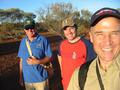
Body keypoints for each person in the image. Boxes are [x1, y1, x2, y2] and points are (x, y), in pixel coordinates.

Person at [68, 7, 120, 90]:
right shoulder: (80, 75)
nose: (107, 42)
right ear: (91, 37)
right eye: (99, 34)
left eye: (115, 33)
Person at [57, 16, 96, 90]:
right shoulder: (61, 44)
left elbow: (92, 67)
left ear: (76, 28)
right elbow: (59, 55)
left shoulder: (87, 44)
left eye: (71, 28)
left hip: (80, 85)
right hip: (66, 84)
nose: (69, 32)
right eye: (65, 29)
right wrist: (62, 72)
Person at [18, 18, 52, 90]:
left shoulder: (43, 40)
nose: (30, 30)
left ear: (35, 28)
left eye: (32, 27)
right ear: (24, 30)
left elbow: (49, 57)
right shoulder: (23, 42)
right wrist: (21, 77)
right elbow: (21, 61)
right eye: (27, 28)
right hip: (28, 81)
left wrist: (38, 61)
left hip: (41, 79)